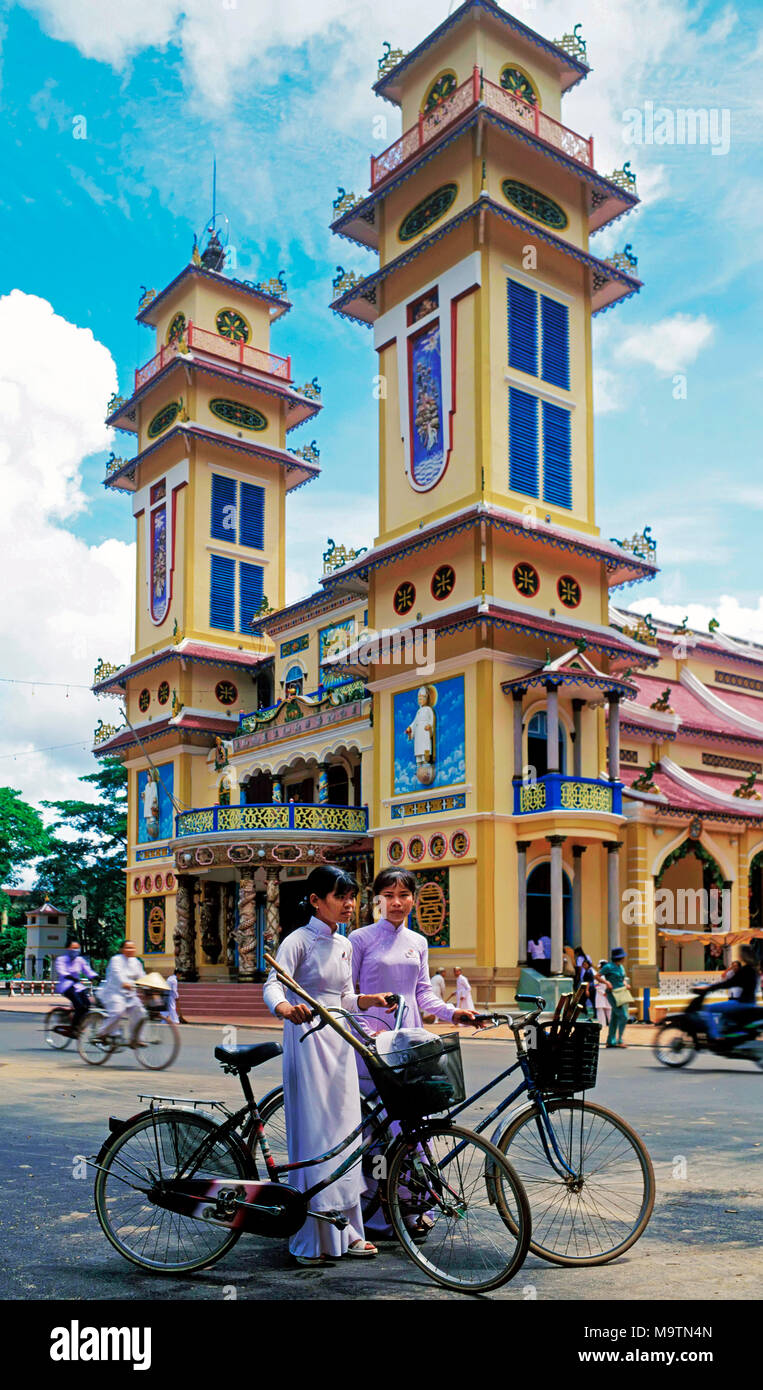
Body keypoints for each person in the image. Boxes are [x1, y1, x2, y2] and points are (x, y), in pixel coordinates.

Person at [263, 865, 393, 1267]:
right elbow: (272, 984)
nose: (349, 904)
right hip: (307, 1041)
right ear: (316, 900)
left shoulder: (344, 945)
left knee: (345, 1136)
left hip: (339, 1041)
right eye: (340, 897)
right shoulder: (297, 941)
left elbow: (345, 997)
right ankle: (311, 1236)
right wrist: (286, 1008)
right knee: (317, 1136)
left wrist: (369, 1001)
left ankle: (347, 1229)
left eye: (352, 897)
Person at [350, 869, 479, 1238]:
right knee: (377, 1132)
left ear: (413, 899)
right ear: (377, 899)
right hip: (370, 1045)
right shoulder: (360, 939)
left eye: (403, 894)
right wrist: (365, 1031)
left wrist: (454, 1012)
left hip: (409, 1044)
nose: (396, 902)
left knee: (412, 1130)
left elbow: (422, 994)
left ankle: (410, 1209)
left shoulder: (417, 942)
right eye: (388, 895)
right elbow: (350, 994)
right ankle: (373, 1215)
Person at [701, 946, 761, 1039]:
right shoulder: (754, 970)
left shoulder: (746, 970)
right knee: (724, 1014)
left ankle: (715, 1036)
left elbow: (728, 983)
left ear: (744, 955)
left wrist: (709, 988)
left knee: (707, 1008)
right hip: (751, 1003)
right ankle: (724, 1033)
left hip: (741, 1003)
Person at [96, 940, 147, 1041]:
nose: (130, 950)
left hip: (130, 994)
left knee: (141, 1013)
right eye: (127, 947)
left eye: (132, 947)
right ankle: (102, 1033)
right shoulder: (116, 960)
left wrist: (148, 984)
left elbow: (142, 976)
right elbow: (116, 973)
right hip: (114, 993)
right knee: (118, 1013)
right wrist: (124, 983)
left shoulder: (136, 962)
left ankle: (136, 1038)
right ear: (122, 949)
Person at [54, 938, 96, 1029]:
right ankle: (74, 1027)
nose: (75, 950)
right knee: (79, 1006)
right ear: (67, 948)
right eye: (73, 948)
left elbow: (87, 970)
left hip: (77, 986)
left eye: (77, 948)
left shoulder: (80, 960)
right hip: (66, 986)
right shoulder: (61, 959)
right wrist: (69, 976)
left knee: (87, 1005)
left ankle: (77, 1021)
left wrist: (95, 976)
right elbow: (62, 971)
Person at [599, 946, 630, 1048]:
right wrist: (607, 982)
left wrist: (625, 984)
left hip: (621, 993)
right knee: (623, 1016)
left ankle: (610, 1041)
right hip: (612, 994)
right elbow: (597, 976)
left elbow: (622, 979)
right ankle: (619, 1039)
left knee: (615, 1018)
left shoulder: (621, 967)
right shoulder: (608, 967)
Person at [594, 959, 612, 1030]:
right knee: (600, 1011)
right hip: (600, 995)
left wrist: (608, 992)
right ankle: (602, 1026)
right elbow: (596, 985)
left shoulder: (609, 975)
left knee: (609, 1010)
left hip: (608, 994)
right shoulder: (597, 975)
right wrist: (603, 992)